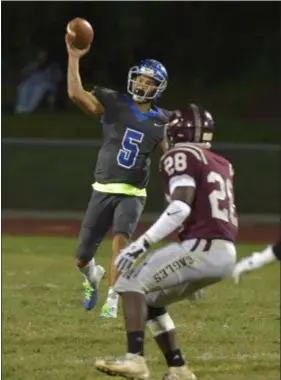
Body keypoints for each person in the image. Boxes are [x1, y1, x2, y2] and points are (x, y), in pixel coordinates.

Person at [95, 105, 239, 380]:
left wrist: (142, 243)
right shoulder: (221, 162)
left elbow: (180, 208)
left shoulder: (181, 154)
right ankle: (178, 368)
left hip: (202, 247)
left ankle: (135, 359)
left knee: (129, 282)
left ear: (175, 132)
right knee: (148, 300)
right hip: (223, 251)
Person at [65, 34, 172, 318]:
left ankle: (113, 300)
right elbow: (77, 96)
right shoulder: (114, 102)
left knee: (121, 243)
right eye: (140, 79)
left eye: (150, 82)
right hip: (102, 188)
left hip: (133, 192)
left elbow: (173, 156)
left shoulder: (164, 121)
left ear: (158, 88)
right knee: (81, 256)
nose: (142, 84)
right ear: (133, 79)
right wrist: (74, 57)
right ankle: (92, 276)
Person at [15, 49, 62, 114]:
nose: (42, 57)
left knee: (38, 88)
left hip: (47, 84)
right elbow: (23, 74)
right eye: (40, 55)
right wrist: (29, 68)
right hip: (33, 82)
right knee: (23, 87)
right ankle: (21, 107)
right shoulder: (35, 64)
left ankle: (29, 109)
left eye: (43, 55)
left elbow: (58, 78)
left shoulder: (53, 65)